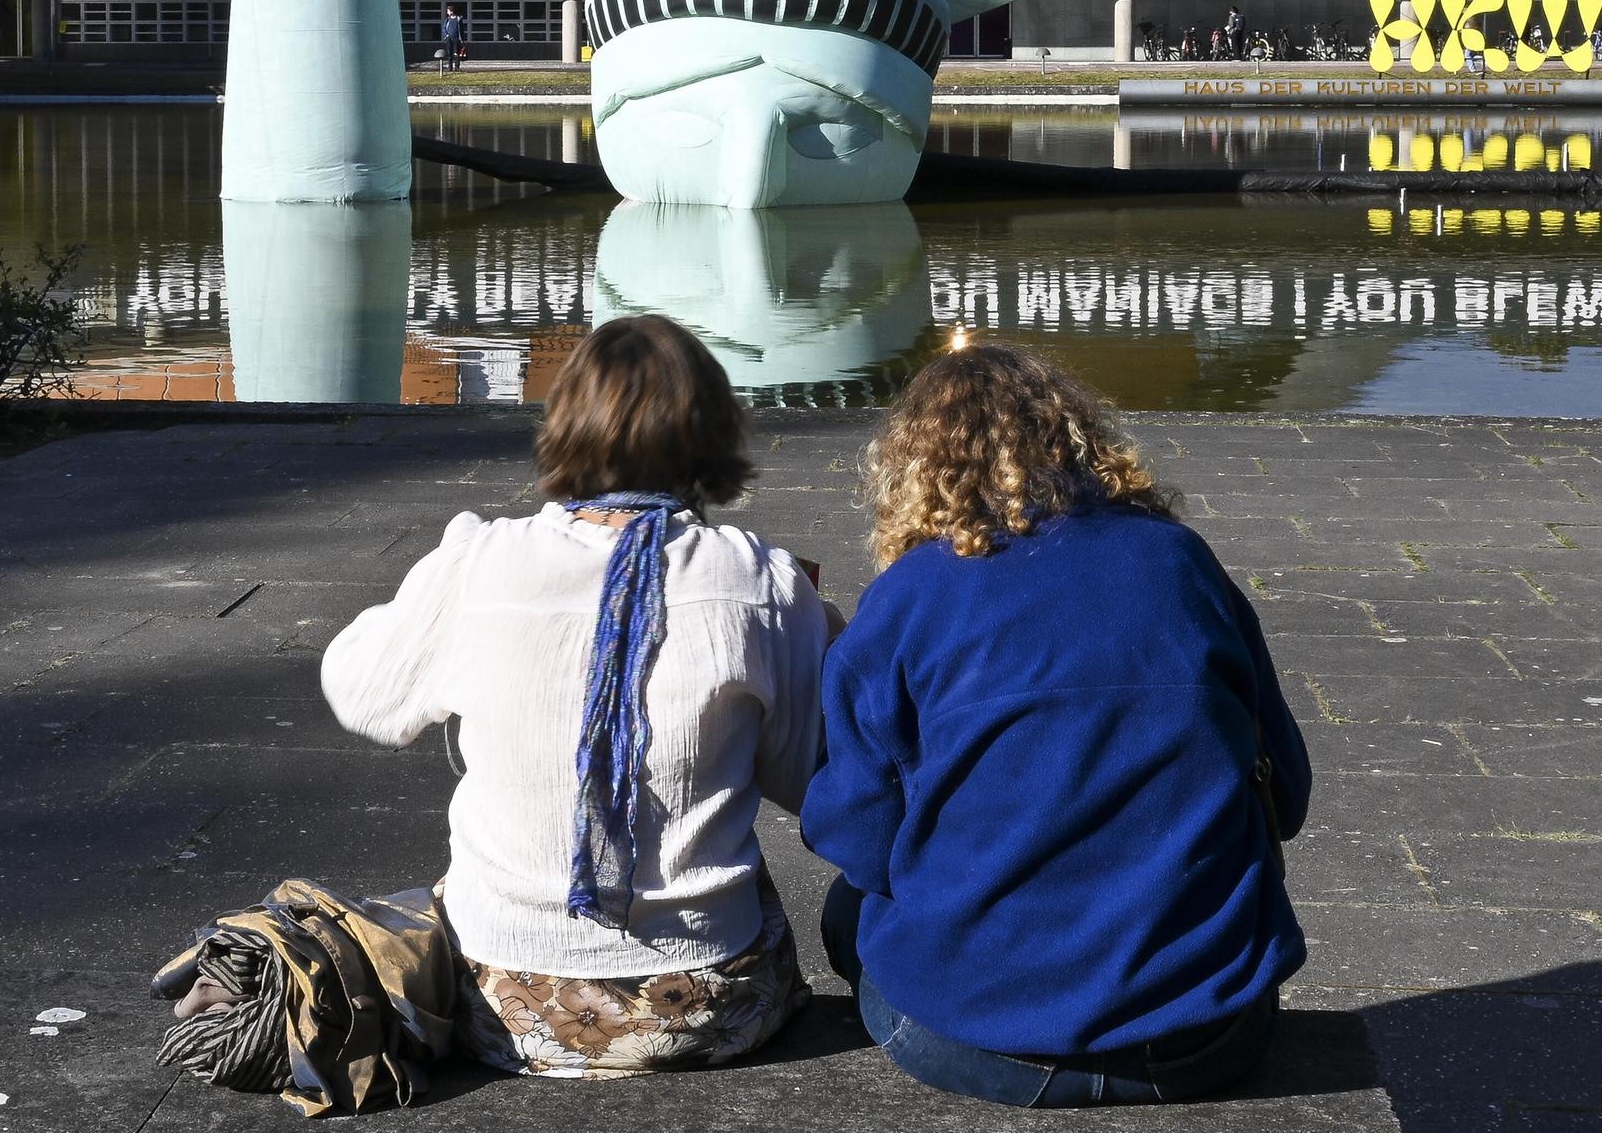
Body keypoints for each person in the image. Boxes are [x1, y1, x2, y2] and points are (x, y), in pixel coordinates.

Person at [320, 314, 828, 1078]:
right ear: (715, 431)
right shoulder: (760, 579)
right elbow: (808, 779)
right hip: (715, 1006)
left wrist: (419, 605)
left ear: (565, 424)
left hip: (504, 1004)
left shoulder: (479, 561)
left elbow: (362, 693)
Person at [804, 345, 1309, 1109]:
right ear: (1079, 441)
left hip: (976, 1045)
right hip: (1210, 1036)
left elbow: (858, 842)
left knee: (850, 911)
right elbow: (1289, 796)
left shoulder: (907, 598)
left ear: (910, 471)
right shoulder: (1180, 562)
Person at [439, 4, 465, 72]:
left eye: (448, 11)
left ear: (452, 11)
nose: (447, 12)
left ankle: (457, 67)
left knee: (456, 52)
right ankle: (450, 67)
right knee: (449, 53)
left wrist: (462, 39)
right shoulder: (447, 19)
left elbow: (462, 30)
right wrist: (446, 35)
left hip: (456, 38)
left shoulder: (458, 19)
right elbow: (444, 28)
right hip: (449, 38)